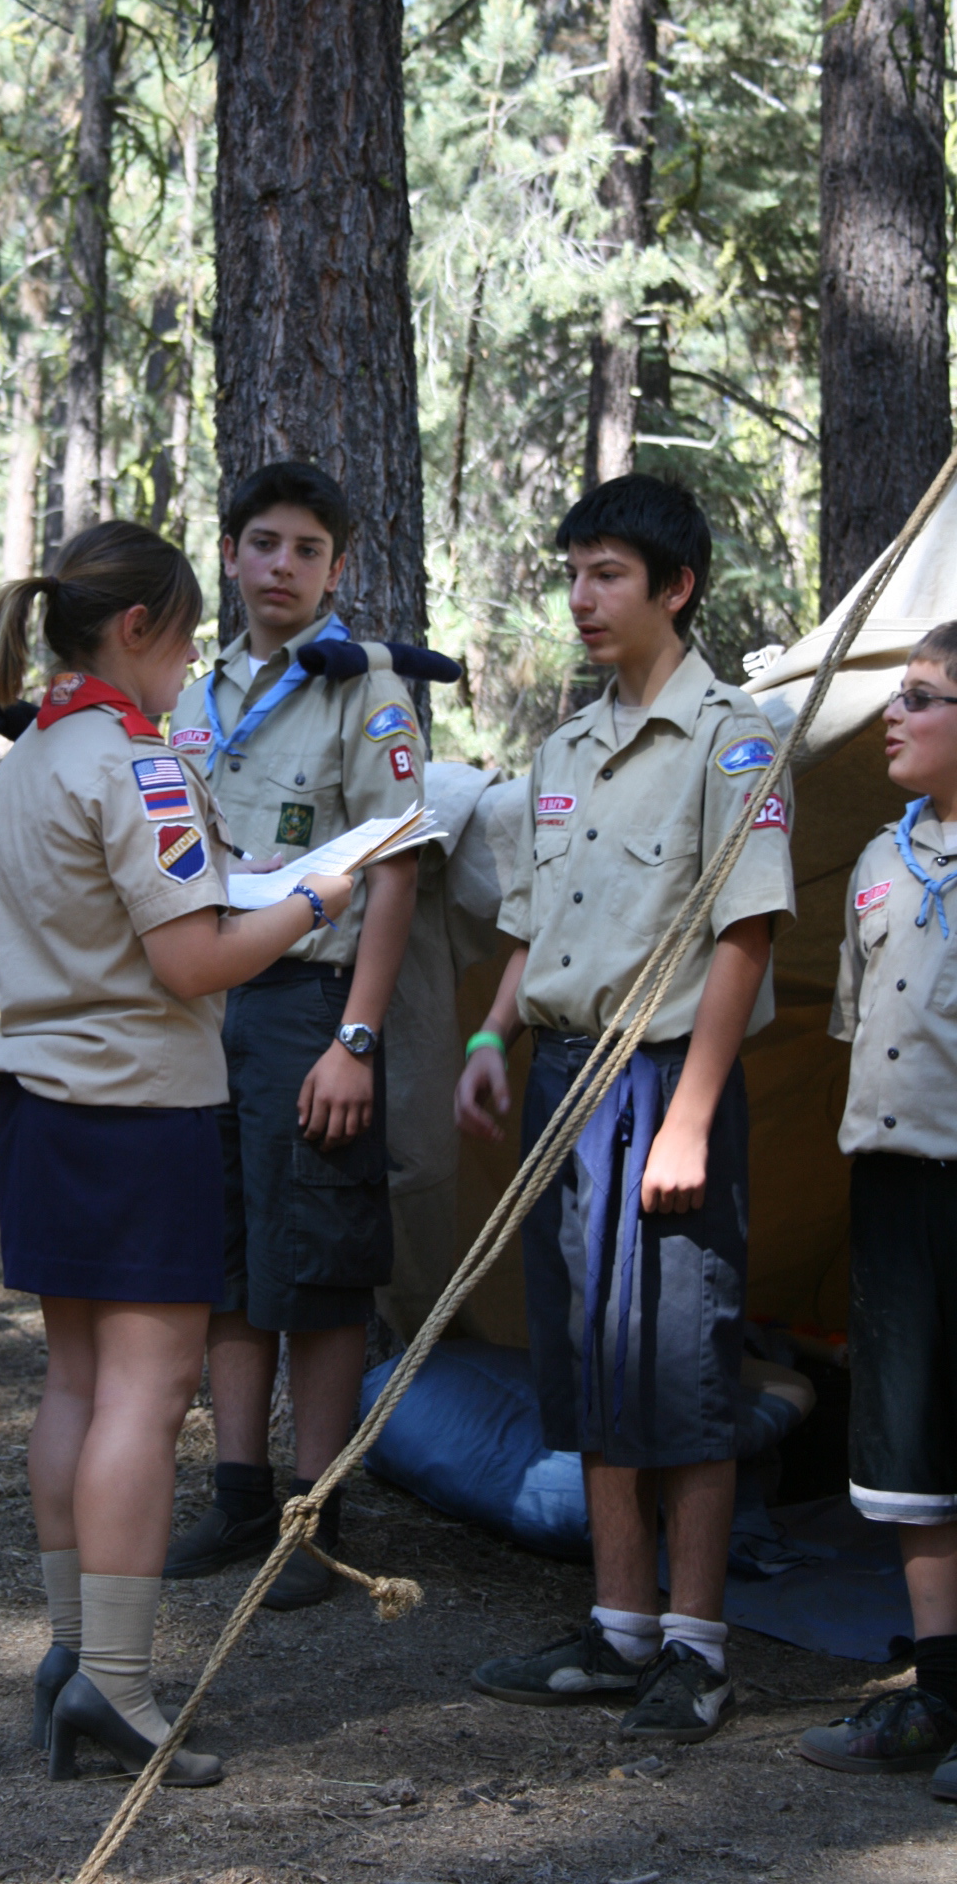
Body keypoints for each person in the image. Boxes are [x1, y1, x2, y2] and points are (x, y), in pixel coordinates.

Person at [0, 520, 353, 1786]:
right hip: (138, 1110)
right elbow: (192, 960)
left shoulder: (30, 756)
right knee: (146, 1394)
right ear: (135, 629)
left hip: (39, 1100)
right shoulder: (136, 765)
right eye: (186, 641)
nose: (193, 665)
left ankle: (71, 1649)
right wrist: (314, 901)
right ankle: (120, 1687)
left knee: (76, 1386)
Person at [455, 474, 795, 1743]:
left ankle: (696, 1647)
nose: (582, 599)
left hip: (663, 1081)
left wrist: (692, 1115)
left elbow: (745, 935)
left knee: (680, 1359)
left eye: (607, 575)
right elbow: (531, 925)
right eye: (573, 575)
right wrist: (491, 1036)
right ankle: (618, 1628)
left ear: (675, 587)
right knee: (589, 1355)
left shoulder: (731, 739)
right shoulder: (563, 750)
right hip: (564, 1078)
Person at [163, 461, 422, 1610]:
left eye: (307, 550)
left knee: (317, 1257)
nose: (281, 566)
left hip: (308, 1008)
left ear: (338, 567)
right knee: (222, 1254)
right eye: (262, 543)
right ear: (230, 554)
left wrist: (354, 1037)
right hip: (200, 1004)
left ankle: (314, 1516)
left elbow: (397, 869)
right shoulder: (192, 694)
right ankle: (238, 1492)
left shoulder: (364, 689)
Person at [799, 621, 957, 1795]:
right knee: (908, 1445)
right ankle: (938, 1694)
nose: (891, 715)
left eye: (919, 696)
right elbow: (856, 1028)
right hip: (893, 1185)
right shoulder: (875, 861)